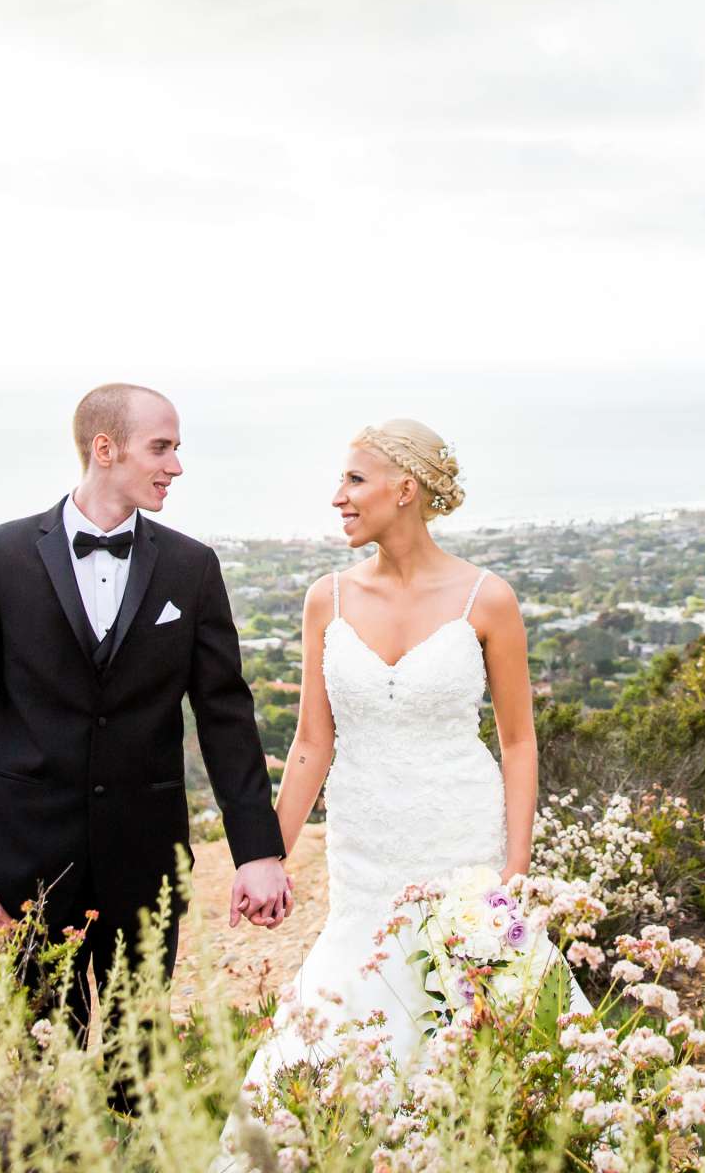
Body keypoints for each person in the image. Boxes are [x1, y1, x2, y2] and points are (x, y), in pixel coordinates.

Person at [237, 418, 585, 1091]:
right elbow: (312, 743)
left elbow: (517, 741)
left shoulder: (488, 598)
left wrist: (516, 864)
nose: (338, 495)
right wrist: (267, 856)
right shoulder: (326, 599)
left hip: (462, 844)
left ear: (406, 490)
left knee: (485, 1029)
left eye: (354, 479)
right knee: (347, 1014)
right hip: (363, 851)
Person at [0, 382, 291, 1035]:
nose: (176, 466)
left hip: (145, 860)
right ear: (106, 448)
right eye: (161, 448)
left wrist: (257, 850)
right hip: (22, 862)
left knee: (140, 1068)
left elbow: (225, 717)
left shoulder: (192, 567)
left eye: (176, 449)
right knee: (36, 1067)